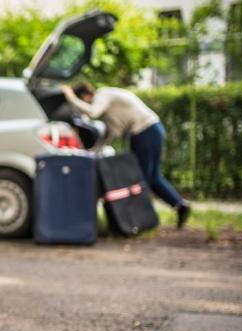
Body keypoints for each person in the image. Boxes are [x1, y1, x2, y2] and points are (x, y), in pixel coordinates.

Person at [63, 82, 192, 228]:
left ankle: (139, 220)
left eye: (81, 100)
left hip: (145, 133)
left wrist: (71, 97)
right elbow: (112, 132)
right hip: (153, 129)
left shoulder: (103, 94)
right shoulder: (108, 106)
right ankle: (180, 206)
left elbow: (92, 112)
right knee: (152, 177)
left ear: (86, 96)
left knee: (140, 178)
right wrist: (93, 152)